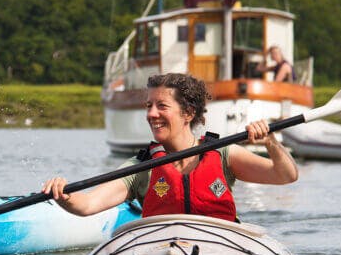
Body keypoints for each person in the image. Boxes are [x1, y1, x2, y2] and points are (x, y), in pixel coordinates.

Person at [42, 73, 298, 220]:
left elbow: (285, 175)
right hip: (161, 252)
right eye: (148, 106)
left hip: (220, 251)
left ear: (188, 113)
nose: (151, 114)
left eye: (161, 106)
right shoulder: (141, 167)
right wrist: (64, 195)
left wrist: (271, 142)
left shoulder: (223, 154)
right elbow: (87, 205)